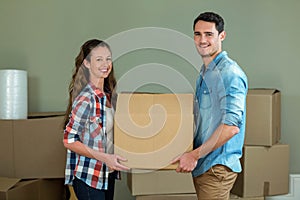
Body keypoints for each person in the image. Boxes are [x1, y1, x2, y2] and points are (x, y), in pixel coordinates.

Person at [172, 12, 248, 200]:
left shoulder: (229, 73)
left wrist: (194, 155)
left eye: (209, 34)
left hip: (216, 166)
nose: (202, 39)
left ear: (221, 36)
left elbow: (231, 128)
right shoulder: (206, 72)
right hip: (205, 165)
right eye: (197, 34)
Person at [63, 39, 129, 200]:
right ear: (86, 63)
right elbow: (68, 140)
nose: (105, 64)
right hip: (89, 176)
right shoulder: (86, 98)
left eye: (108, 58)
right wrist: (104, 157)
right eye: (98, 59)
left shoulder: (109, 96)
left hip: (107, 173)